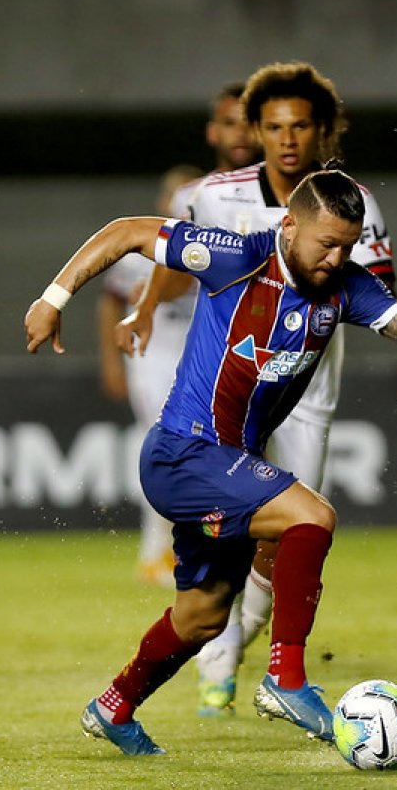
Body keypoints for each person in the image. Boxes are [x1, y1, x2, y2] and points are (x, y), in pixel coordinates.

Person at [24, 168, 397, 756]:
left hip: (227, 464)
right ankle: (286, 678)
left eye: (347, 246)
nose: (336, 258)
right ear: (290, 225)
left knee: (202, 617)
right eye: (326, 244)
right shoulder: (234, 256)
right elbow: (126, 232)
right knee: (312, 517)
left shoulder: (347, 286)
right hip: (184, 452)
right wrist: (54, 299)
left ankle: (114, 705)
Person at [118, 62, 395, 714]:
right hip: (228, 390)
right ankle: (230, 657)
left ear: (324, 131)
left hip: (305, 395)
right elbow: (175, 259)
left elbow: (378, 293)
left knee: (286, 534)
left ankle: (241, 641)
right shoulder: (215, 195)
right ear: (256, 131)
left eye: (301, 126)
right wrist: (148, 306)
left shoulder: (354, 203)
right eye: (273, 127)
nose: (287, 140)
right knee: (250, 525)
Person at [98, 81, 261, 586]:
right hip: (153, 351)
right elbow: (112, 301)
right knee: (169, 444)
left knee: (209, 451)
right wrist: (111, 361)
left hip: (200, 350)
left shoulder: (225, 230)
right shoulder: (145, 249)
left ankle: (200, 552)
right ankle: (160, 554)